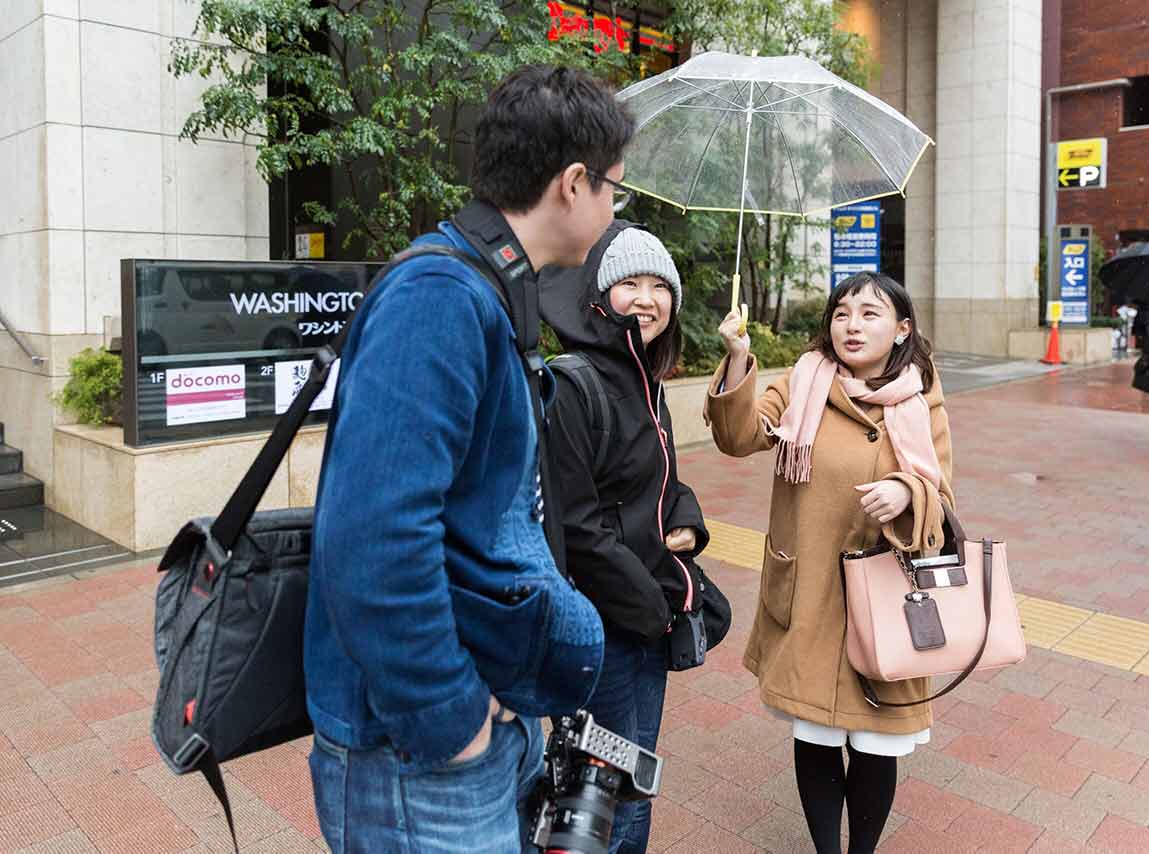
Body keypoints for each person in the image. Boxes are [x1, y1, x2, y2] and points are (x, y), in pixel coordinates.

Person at [303, 66, 634, 853]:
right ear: (573, 182)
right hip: (417, 757)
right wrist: (454, 722)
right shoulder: (442, 298)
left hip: (458, 731)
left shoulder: (486, 287)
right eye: (615, 189)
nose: (616, 209)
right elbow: (374, 539)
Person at [704, 272, 955, 854]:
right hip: (810, 589)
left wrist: (906, 493)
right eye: (842, 313)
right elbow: (739, 436)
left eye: (870, 314)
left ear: (902, 329)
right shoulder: (804, 379)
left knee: (877, 744)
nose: (852, 325)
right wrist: (739, 357)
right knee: (815, 732)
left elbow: (942, 499)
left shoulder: (923, 397)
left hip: (887, 598)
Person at [542, 223, 710, 853]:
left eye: (659, 285)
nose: (647, 298)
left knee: (632, 788)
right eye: (629, 284)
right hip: (598, 628)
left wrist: (687, 517)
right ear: (597, 296)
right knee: (590, 803)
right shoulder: (573, 383)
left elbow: (662, 478)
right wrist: (651, 605)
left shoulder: (648, 384)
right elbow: (575, 529)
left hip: (645, 621)